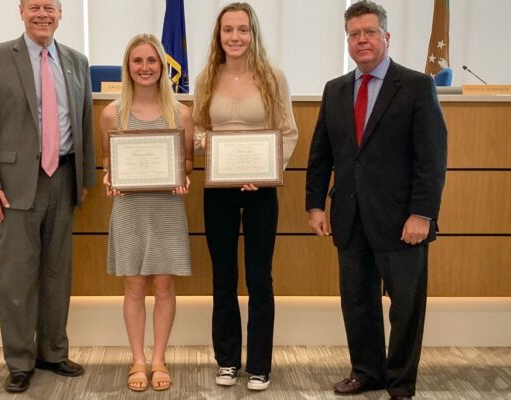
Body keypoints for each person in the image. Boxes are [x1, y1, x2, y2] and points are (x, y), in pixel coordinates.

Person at [305, 2, 447, 399]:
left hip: (403, 221)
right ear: (347, 40)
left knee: (404, 308)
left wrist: (422, 213)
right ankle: (367, 371)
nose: (362, 40)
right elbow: (321, 155)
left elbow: (432, 157)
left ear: (386, 36)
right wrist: (315, 205)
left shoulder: (417, 85)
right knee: (358, 302)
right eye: (354, 34)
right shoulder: (335, 90)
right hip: (349, 217)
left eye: (369, 32)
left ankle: (400, 382)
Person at [0, 0, 95, 393]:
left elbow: (86, 122)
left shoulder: (77, 61)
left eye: (50, 7)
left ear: (61, 14)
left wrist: (85, 178)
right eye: (35, 6)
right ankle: (20, 360)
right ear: (21, 11)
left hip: (64, 177)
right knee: (16, 277)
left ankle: (53, 352)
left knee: (58, 274)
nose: (43, 14)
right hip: (12, 185)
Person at [193, 2, 298, 391]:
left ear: (253, 34)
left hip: (261, 192)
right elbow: (199, 132)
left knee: (259, 278)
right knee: (223, 276)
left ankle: (259, 364)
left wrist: (267, 171)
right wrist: (212, 146)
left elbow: (288, 132)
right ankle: (226, 360)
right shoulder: (206, 78)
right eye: (228, 30)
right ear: (218, 36)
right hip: (217, 190)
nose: (235, 37)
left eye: (242, 30)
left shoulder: (273, 78)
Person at [99, 33, 194, 392]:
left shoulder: (181, 113)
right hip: (130, 207)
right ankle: (138, 358)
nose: (145, 67)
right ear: (128, 67)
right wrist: (111, 176)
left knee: (165, 285)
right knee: (134, 284)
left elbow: (186, 161)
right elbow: (108, 159)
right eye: (137, 61)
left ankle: (159, 359)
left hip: (166, 206)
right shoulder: (112, 113)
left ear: (162, 66)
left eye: (151, 61)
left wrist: (182, 177)